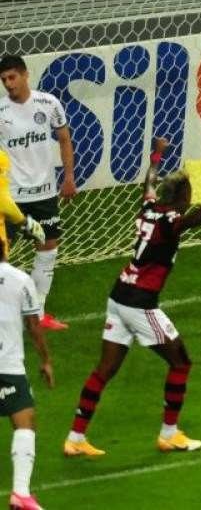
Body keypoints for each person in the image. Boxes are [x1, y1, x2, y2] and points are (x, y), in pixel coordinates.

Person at [63, 139, 201, 456]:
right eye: (189, 194)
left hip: (117, 297)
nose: (191, 197)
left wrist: (157, 155)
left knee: (105, 369)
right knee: (181, 362)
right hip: (139, 305)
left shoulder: (149, 208)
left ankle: (75, 439)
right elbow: (195, 220)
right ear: (181, 197)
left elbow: (148, 182)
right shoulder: (171, 220)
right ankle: (169, 434)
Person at [0, 54, 78, 331]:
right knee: (2, 259)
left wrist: (68, 177)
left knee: (48, 250)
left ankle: (39, 313)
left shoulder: (49, 103)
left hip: (44, 194)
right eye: (4, 79)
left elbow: (65, 139)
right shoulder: (0, 111)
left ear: (24, 75)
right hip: (11, 198)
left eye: (12, 77)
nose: (8, 84)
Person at [0, 151, 53, 510]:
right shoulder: (19, 281)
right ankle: (20, 492)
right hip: (8, 364)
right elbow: (34, 326)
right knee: (24, 419)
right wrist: (46, 360)